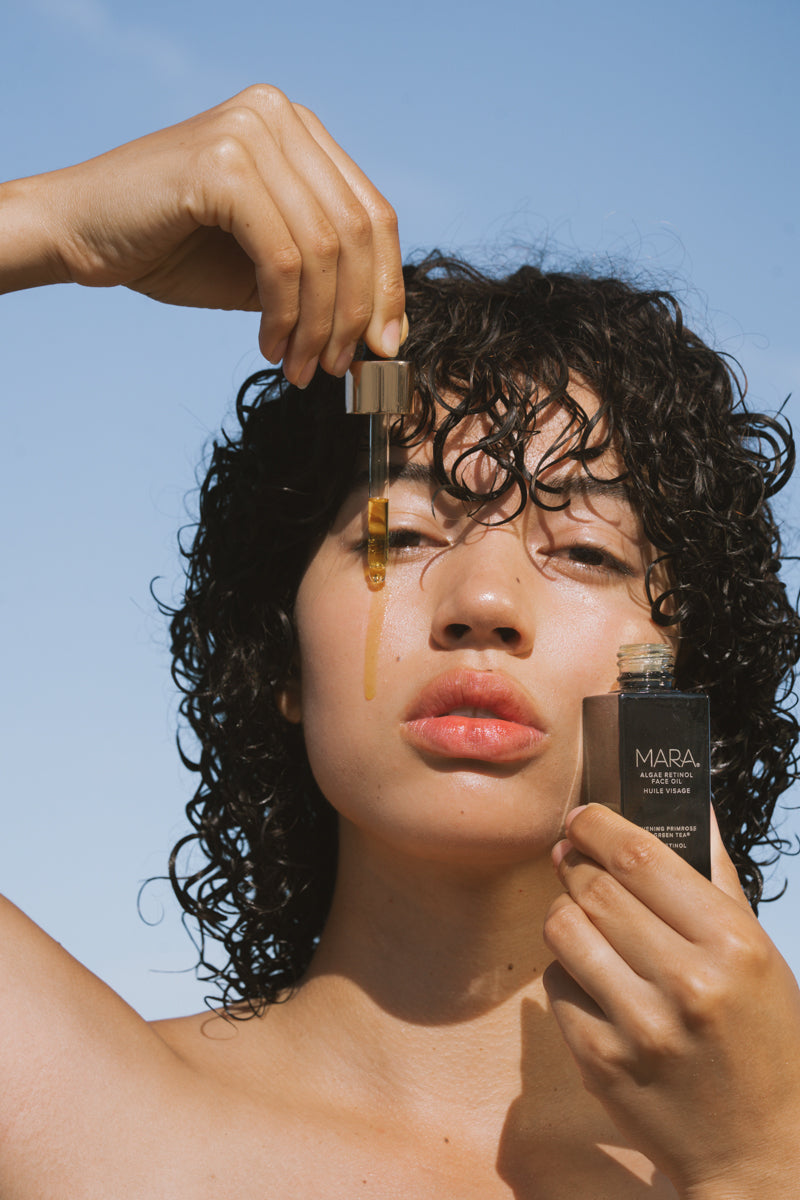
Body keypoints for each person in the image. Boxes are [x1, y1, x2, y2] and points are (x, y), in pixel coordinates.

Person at [2, 85, 800, 1199]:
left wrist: (758, 1165)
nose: (482, 598)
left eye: (580, 552)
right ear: (277, 654)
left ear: (683, 680)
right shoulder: (65, 1118)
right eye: (404, 530)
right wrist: (47, 223)